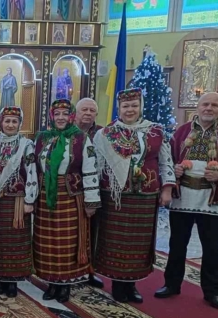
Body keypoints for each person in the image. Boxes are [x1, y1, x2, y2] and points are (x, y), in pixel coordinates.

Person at [157, 93, 218, 310]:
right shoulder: (181, 132)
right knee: (177, 244)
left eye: (214, 105)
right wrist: (175, 169)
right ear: (198, 107)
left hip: (212, 199)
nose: (209, 108)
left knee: (211, 247)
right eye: (205, 104)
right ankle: (171, 285)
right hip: (183, 197)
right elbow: (168, 159)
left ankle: (212, 292)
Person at [93, 88, 175, 303]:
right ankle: (118, 284)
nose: (130, 110)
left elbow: (166, 162)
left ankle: (132, 284)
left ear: (141, 107)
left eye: (134, 106)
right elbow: (96, 165)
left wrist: (167, 188)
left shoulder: (156, 131)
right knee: (115, 241)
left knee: (138, 243)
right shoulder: (105, 133)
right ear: (119, 108)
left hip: (145, 196)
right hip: (114, 196)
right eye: (125, 106)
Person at [34, 99, 100, 303]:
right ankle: (52, 282)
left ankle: (65, 285)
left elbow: (90, 169)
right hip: (45, 196)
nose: (61, 118)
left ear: (71, 116)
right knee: (48, 241)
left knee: (68, 241)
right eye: (57, 114)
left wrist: (91, 202)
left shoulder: (81, 138)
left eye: (65, 114)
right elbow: (35, 168)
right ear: (51, 117)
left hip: (71, 196)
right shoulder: (43, 138)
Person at [0, 107, 37, 298]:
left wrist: (30, 200)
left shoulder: (27, 145)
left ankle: (13, 282)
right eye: (7, 121)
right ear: (1, 122)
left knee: (16, 241)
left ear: (20, 124)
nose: (10, 125)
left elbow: (31, 171)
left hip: (18, 202)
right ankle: (0, 280)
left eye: (14, 121)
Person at [75, 97, 105, 289]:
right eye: (84, 110)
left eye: (92, 110)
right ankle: (70, 270)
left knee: (93, 231)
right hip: (71, 191)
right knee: (72, 232)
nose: (88, 113)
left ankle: (90, 271)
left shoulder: (103, 134)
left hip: (96, 190)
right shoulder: (67, 131)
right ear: (76, 113)